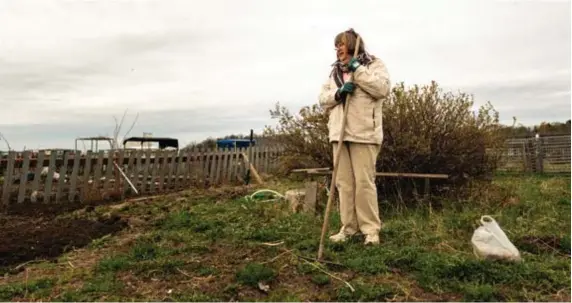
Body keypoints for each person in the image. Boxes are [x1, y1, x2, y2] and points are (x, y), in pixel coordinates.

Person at [318, 28, 391, 245]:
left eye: (340, 44)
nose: (337, 49)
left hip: (364, 133)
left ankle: (370, 230)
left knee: (364, 182)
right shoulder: (335, 73)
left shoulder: (373, 65)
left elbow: (382, 89)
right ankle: (348, 228)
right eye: (336, 45)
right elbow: (322, 97)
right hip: (339, 133)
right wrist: (338, 93)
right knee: (344, 184)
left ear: (351, 43)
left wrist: (358, 70)